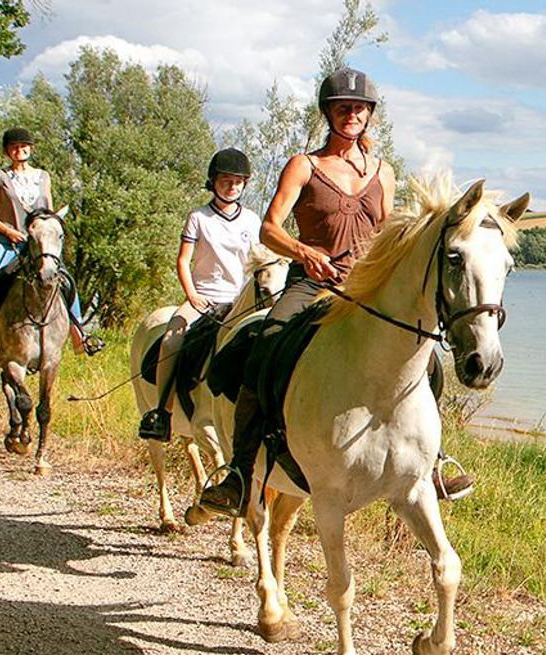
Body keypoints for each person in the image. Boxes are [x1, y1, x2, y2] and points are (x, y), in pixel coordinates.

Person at [199, 68, 473, 518]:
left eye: (359, 108)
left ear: (369, 115)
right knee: (266, 345)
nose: (352, 114)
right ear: (328, 113)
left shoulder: (382, 172)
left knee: (428, 361)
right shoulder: (303, 166)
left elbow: (388, 236)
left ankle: (434, 462)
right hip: (311, 284)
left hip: (364, 289)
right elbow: (269, 230)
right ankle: (239, 473)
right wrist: (304, 252)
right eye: (343, 107)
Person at [138, 148, 260, 442]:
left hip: (239, 301)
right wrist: (191, 294)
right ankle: (162, 413)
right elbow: (183, 260)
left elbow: (259, 261)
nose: (232, 187)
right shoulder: (198, 217)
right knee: (171, 339)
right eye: (226, 181)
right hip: (203, 296)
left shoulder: (252, 220)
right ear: (213, 182)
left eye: (238, 182)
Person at [0, 128, 102, 361]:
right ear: (7, 151)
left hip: (38, 242)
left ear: (30, 149)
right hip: (6, 242)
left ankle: (80, 335)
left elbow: (47, 212)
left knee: (66, 280)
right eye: (14, 147)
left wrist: (49, 230)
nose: (19, 150)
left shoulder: (43, 177)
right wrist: (7, 231)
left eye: (23, 146)